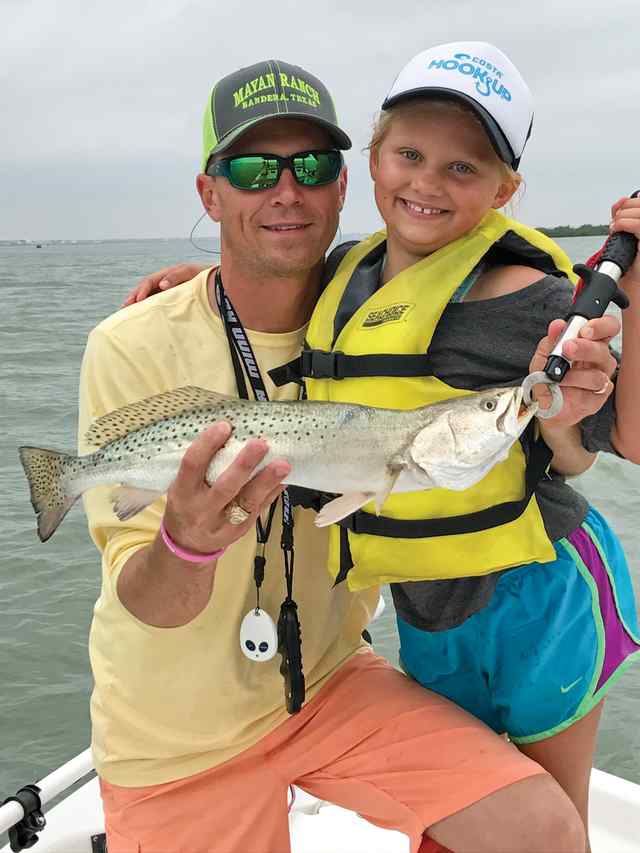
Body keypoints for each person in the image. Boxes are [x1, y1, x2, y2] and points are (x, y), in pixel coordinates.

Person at [126, 44, 640, 851]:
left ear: (504, 190)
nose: (428, 183)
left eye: (463, 168)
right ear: (370, 161)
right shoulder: (343, 276)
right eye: (409, 155)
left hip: (545, 593)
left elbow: (621, 440)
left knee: (549, 825)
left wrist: (635, 295)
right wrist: (201, 277)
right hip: (425, 610)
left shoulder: (536, 298)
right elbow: (273, 279)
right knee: (451, 831)